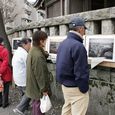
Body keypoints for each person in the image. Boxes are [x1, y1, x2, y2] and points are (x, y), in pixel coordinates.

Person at [56, 17, 89, 115]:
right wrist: (84, 88)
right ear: (80, 29)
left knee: (67, 109)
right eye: (84, 29)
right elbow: (81, 72)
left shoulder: (63, 43)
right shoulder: (78, 46)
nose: (85, 32)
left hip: (65, 85)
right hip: (76, 87)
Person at [26, 31, 50, 115]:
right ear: (41, 41)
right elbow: (40, 75)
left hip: (32, 85)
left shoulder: (33, 49)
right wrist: (44, 90)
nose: (46, 42)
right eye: (45, 40)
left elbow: (42, 53)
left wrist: (45, 53)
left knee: (36, 105)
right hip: (37, 87)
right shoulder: (38, 56)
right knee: (39, 107)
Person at [12, 38, 31, 115]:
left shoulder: (18, 51)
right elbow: (29, 66)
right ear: (24, 44)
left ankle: (25, 106)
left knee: (23, 93)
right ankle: (19, 109)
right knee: (29, 93)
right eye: (29, 44)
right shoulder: (24, 54)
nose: (30, 46)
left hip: (17, 77)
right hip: (22, 78)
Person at [0, 36, 12, 108]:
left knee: (0, 87)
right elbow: (5, 63)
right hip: (5, 73)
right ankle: (5, 103)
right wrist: (0, 72)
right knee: (6, 89)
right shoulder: (4, 50)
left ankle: (0, 102)